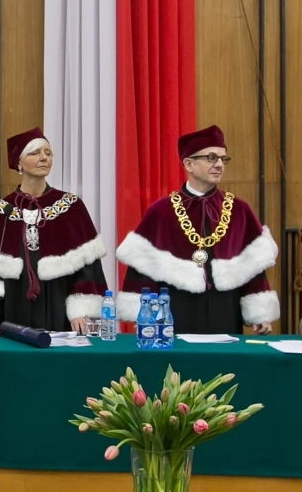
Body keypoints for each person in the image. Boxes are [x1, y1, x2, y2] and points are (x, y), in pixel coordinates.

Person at [115, 124, 278, 334]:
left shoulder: (239, 210)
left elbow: (253, 266)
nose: (219, 165)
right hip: (175, 311)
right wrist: (144, 314)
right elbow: (142, 268)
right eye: (211, 158)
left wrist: (260, 313)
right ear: (189, 164)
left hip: (225, 311)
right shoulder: (161, 211)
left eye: (223, 159)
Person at [0, 128, 109, 333]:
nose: (44, 158)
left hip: (59, 306)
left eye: (48, 153)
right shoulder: (2, 210)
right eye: (35, 153)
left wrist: (80, 310)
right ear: (19, 163)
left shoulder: (71, 207)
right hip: (13, 305)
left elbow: (88, 266)